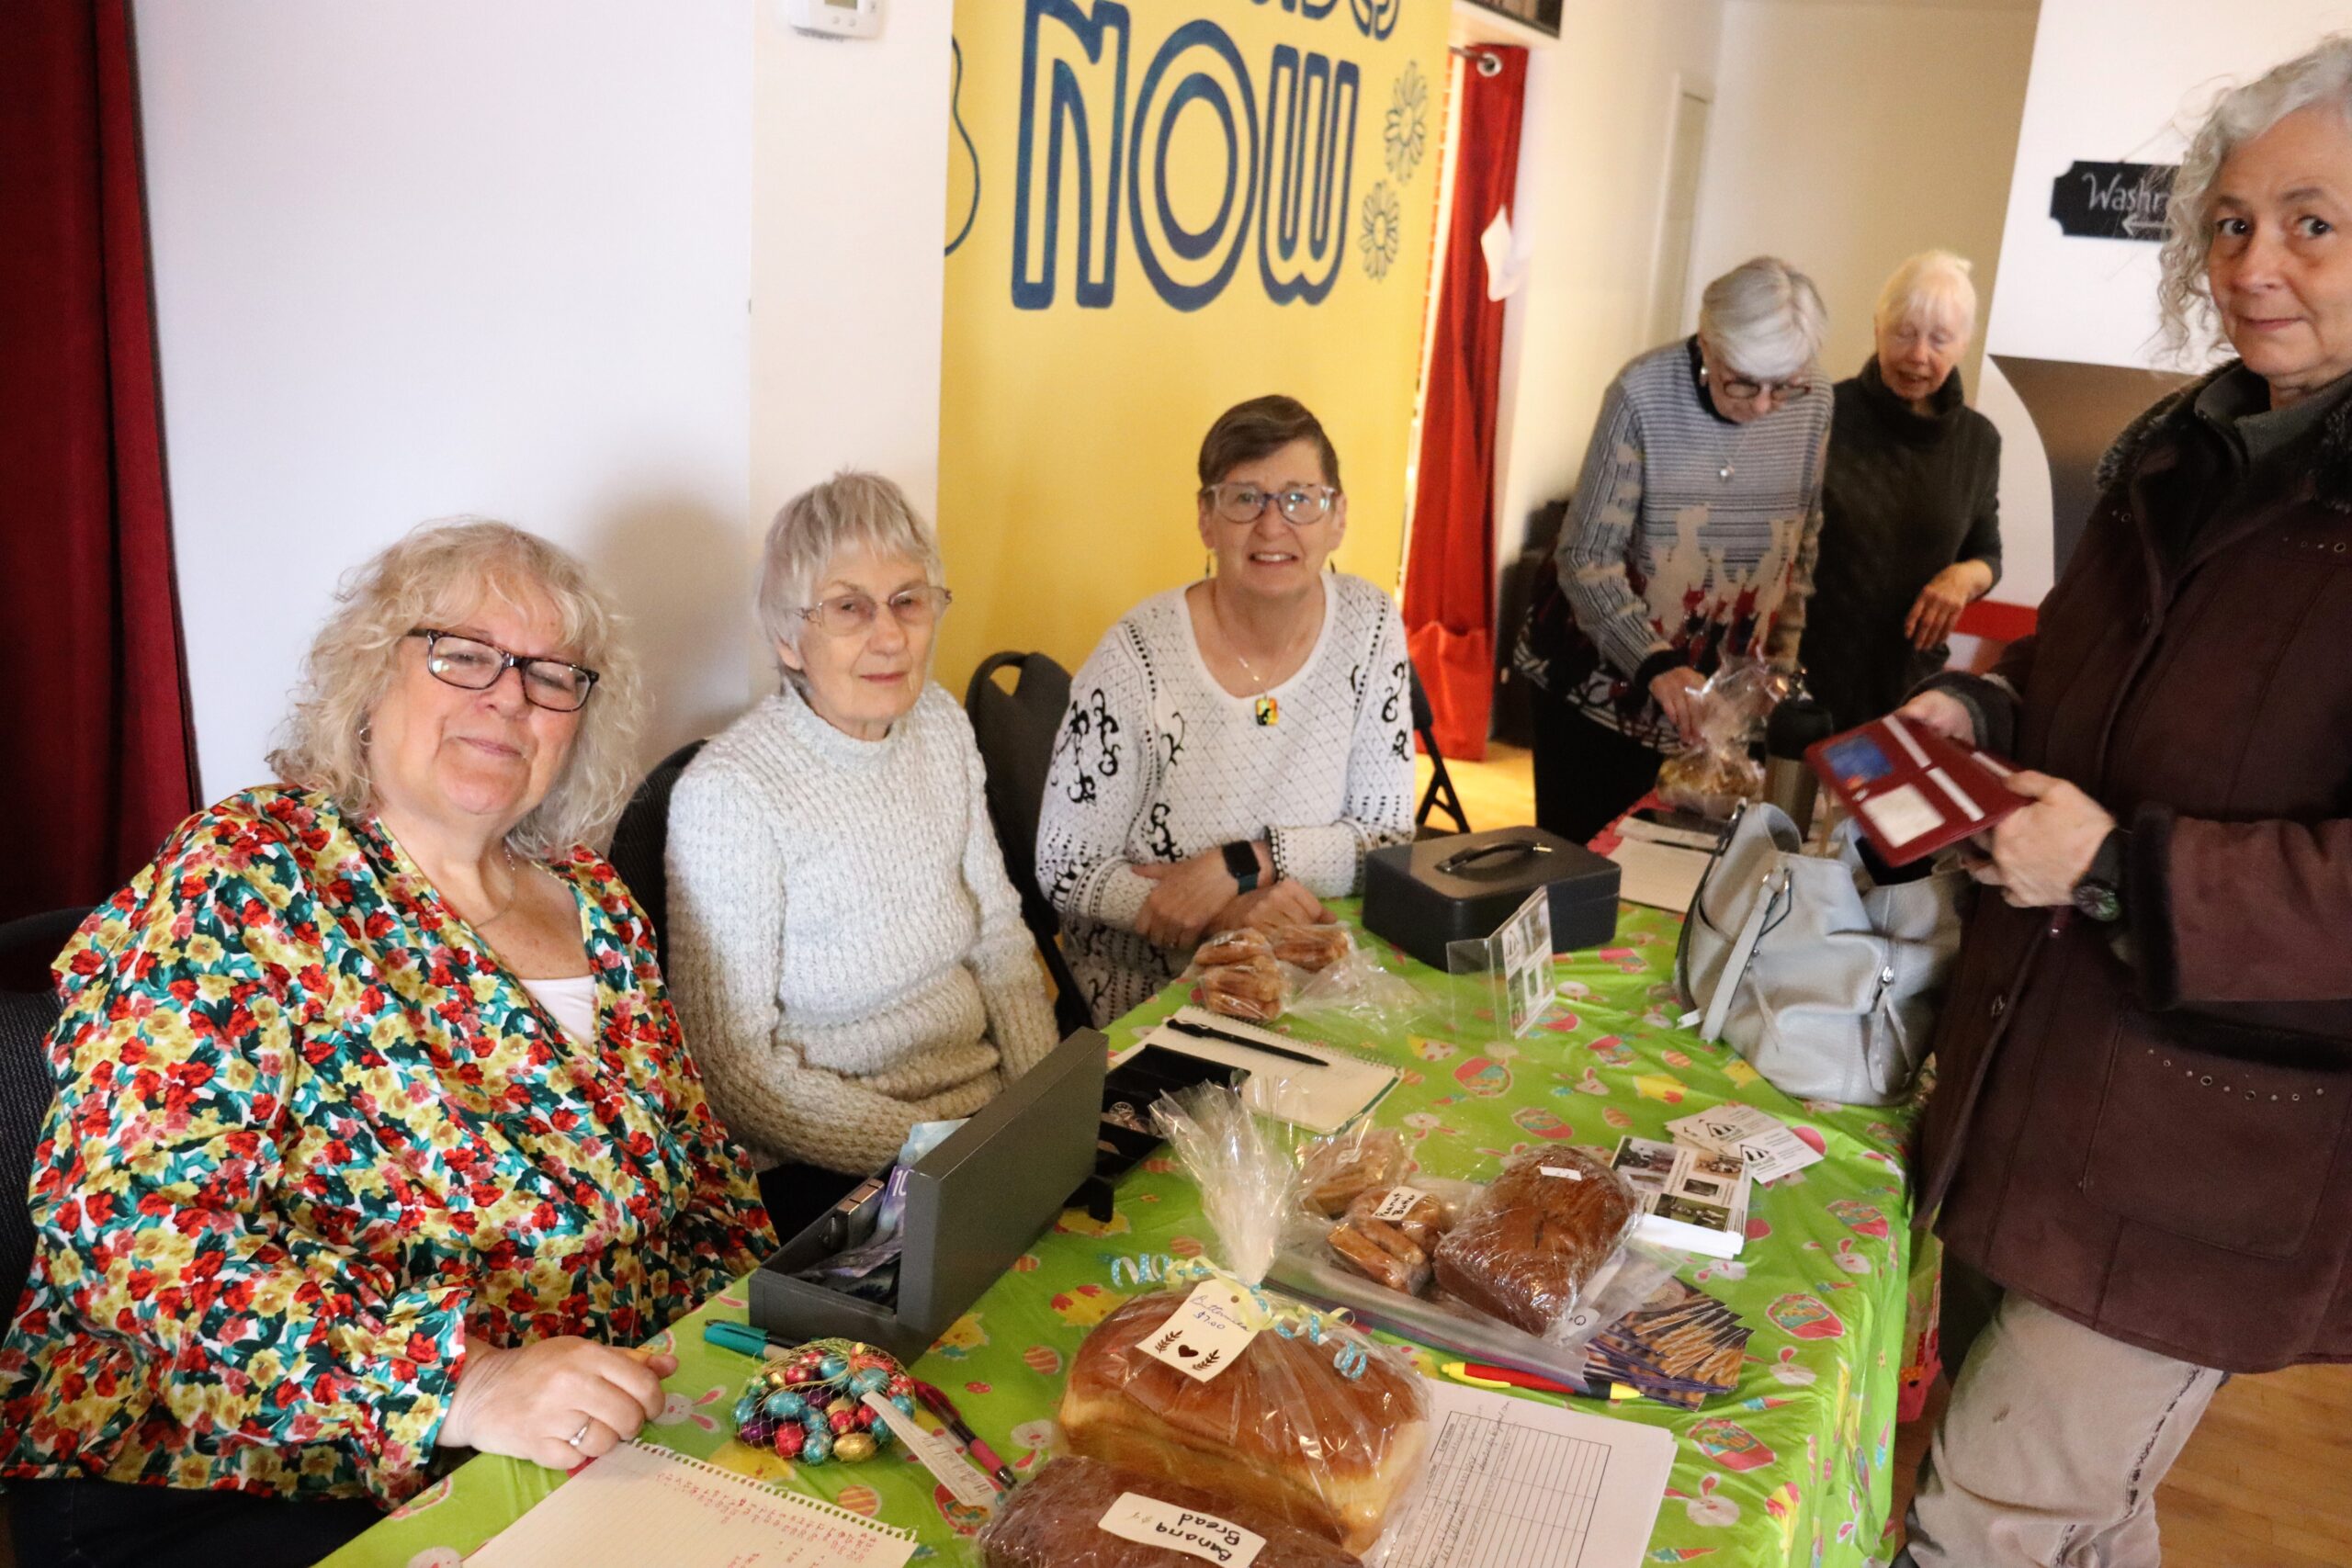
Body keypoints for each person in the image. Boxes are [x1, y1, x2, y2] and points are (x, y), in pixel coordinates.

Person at [0, 522, 775, 1568]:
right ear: (370, 681)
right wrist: (463, 1381)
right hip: (247, 1465)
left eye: (552, 677)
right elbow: (130, 1234)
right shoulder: (250, 873)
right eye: (461, 653)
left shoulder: (597, 905)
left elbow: (704, 1179)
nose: (508, 697)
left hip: (595, 1431)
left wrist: (764, 1336)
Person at [1891, 38, 2352, 1568]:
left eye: (2312, 221)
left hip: (2209, 1160)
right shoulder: (2179, 449)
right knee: (2075, 1522)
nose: (2253, 262)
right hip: (2025, 1083)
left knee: (1981, 1522)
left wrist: (2116, 868)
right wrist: (1978, 710)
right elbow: (2089, 711)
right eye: (2229, 221)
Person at [664, 472, 1058, 1241]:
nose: (890, 636)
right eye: (849, 608)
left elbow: (1003, 942)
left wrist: (1035, 1113)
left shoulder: (939, 723)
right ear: (788, 637)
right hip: (837, 1168)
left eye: (909, 600)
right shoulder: (729, 794)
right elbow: (735, 1075)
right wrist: (932, 1154)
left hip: (981, 1124)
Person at [1036, 395, 1414, 1026]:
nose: (1273, 525)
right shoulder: (1135, 659)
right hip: (1151, 999)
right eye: (1244, 498)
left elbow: (1388, 840)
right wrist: (1223, 915)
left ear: (1337, 517)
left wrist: (1245, 863)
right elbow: (1064, 868)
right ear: (1207, 520)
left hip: (1311, 979)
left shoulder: (1370, 627)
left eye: (1300, 498)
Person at [1515, 256, 1834, 842]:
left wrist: (1779, 668)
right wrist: (1656, 664)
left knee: (1692, 875)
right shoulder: (1641, 395)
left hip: (1721, 699)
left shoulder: (1813, 404)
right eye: (1743, 382)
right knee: (1585, 869)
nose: (1763, 406)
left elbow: (1800, 547)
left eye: (1782, 386)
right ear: (1709, 343)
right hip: (1601, 688)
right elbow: (1586, 558)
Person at [1799, 251, 2003, 731]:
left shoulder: (1979, 442)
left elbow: (1987, 554)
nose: (1918, 355)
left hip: (1910, 690)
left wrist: (1961, 579)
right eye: (1904, 333)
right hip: (1806, 683)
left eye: (1939, 339)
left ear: (1964, 344)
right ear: (1877, 328)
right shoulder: (1823, 415)